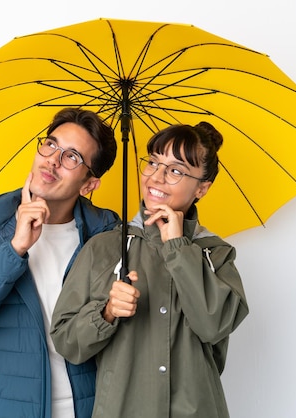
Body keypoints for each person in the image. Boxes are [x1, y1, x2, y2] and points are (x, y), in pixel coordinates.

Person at [50, 121, 249, 417]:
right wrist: (106, 313)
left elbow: (214, 325)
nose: (157, 177)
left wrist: (178, 248)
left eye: (175, 170)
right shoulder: (104, 248)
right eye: (153, 162)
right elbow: (66, 342)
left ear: (202, 188)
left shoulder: (214, 254)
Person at [0, 108, 120, 418]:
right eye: (51, 144)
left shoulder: (108, 239)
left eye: (72, 157)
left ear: (89, 184)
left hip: (92, 409)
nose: (53, 160)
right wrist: (14, 249)